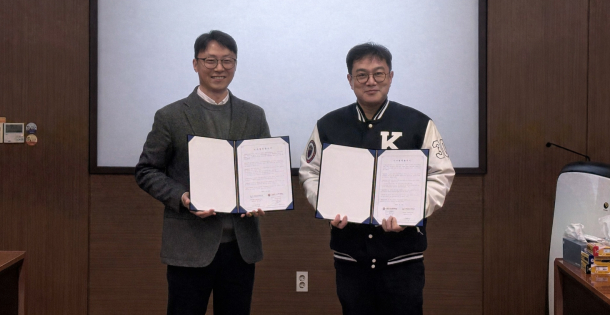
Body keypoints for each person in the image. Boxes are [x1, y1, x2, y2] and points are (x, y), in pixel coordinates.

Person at [299, 42, 455, 315]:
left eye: (378, 74)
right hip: (351, 257)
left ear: (390, 77)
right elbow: (310, 172)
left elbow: (441, 173)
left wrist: (412, 213)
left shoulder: (418, 124)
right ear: (350, 80)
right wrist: (326, 206)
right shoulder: (329, 125)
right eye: (361, 75)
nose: (370, 81)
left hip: (402, 258)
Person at [135, 30, 269, 315]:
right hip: (189, 246)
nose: (219, 68)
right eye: (210, 60)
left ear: (235, 64)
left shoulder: (254, 115)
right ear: (195, 64)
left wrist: (263, 197)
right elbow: (147, 170)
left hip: (240, 247)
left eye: (227, 60)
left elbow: (263, 169)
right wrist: (183, 197)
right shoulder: (170, 116)